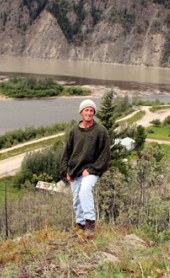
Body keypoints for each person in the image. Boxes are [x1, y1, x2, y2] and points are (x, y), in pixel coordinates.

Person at [61, 99, 110, 238]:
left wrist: (92, 169)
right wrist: (66, 171)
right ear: (81, 112)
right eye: (86, 110)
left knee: (85, 190)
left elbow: (105, 155)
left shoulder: (101, 131)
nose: (89, 113)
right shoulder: (74, 131)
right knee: (76, 199)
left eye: (91, 110)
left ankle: (90, 224)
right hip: (75, 170)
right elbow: (67, 152)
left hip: (92, 170)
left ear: (94, 113)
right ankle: (80, 227)